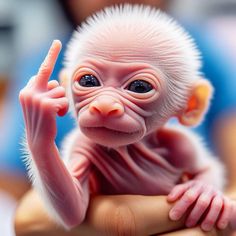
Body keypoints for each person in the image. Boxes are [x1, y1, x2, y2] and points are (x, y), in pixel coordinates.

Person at [9, 0, 236, 235]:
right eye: (88, 81)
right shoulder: (84, 147)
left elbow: (207, 173)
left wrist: (207, 191)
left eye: (139, 86)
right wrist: (40, 144)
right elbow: (72, 214)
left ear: (190, 105)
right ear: (66, 88)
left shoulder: (177, 144)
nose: (106, 105)